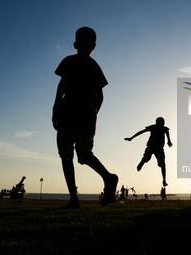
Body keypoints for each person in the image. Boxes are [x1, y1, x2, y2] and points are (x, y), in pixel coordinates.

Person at [52, 27, 118, 208]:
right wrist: (93, 115)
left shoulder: (69, 61)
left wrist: (55, 109)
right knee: (85, 155)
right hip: (86, 117)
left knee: (66, 155)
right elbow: (101, 96)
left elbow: (62, 87)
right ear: (93, 46)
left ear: (75, 44)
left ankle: (74, 199)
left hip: (67, 114)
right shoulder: (95, 66)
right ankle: (108, 178)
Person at [124, 117, 172, 187]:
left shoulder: (162, 128)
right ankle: (142, 162)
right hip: (153, 147)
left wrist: (169, 140)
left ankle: (164, 180)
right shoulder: (156, 127)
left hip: (157, 148)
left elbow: (167, 133)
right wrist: (131, 138)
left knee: (162, 164)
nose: (162, 124)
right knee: (159, 163)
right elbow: (141, 132)